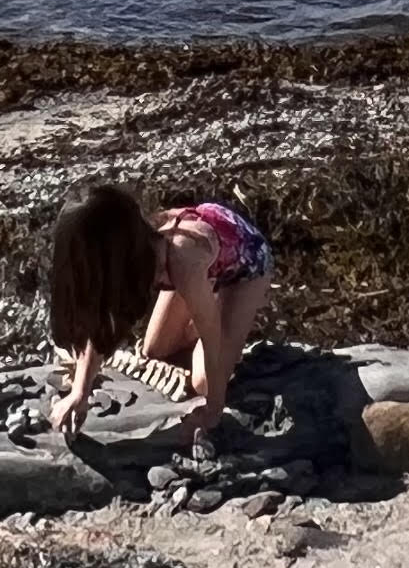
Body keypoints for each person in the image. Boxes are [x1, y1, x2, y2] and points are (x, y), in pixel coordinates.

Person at [44, 183, 276, 437]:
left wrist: (214, 408)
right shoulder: (137, 258)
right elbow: (104, 322)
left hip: (246, 264)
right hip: (203, 261)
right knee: (154, 351)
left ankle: (216, 304)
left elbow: (212, 337)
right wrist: (80, 392)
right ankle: (204, 301)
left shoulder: (179, 259)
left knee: (203, 383)